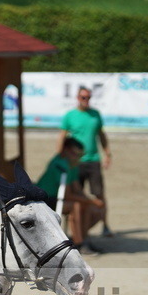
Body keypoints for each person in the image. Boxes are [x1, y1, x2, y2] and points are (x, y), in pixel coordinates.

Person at [58, 87, 113, 237]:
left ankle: (105, 225)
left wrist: (107, 154)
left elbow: (101, 135)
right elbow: (62, 136)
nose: (86, 100)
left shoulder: (95, 115)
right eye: (83, 97)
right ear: (77, 98)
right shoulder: (70, 116)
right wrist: (60, 156)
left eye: (88, 97)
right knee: (76, 197)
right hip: (76, 163)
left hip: (94, 160)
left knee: (99, 194)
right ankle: (74, 232)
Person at [37, 137, 105, 256]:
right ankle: (78, 243)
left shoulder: (72, 164)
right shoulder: (60, 164)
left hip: (58, 198)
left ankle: (84, 240)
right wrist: (92, 201)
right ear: (65, 150)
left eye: (80, 155)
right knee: (76, 206)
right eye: (75, 154)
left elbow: (77, 189)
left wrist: (90, 202)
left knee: (90, 208)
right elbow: (68, 194)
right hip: (44, 199)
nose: (78, 158)